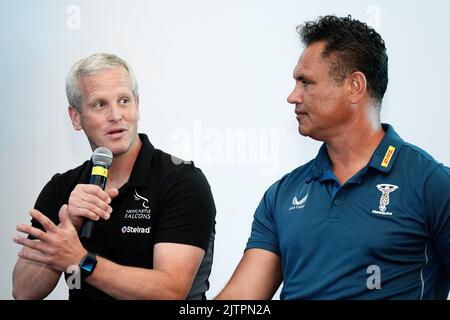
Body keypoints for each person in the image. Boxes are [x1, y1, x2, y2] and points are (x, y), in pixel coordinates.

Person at [216, 15, 450, 299]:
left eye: (306, 83)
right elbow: (241, 299)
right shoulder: (282, 194)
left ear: (354, 86)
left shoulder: (430, 184)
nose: (293, 96)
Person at [12, 53, 216, 300]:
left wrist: (81, 260)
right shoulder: (61, 188)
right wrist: (71, 226)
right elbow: (23, 292)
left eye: (124, 101)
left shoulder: (182, 181)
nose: (115, 115)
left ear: (137, 106)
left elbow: (170, 291)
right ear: (76, 117)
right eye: (100, 104)